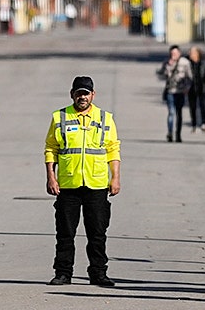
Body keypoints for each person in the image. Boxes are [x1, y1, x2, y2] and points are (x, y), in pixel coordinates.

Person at [44, 75, 121, 288]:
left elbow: (113, 149)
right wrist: (51, 176)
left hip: (96, 185)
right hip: (68, 184)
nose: (82, 97)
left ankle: (98, 273)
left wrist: (115, 178)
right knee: (65, 233)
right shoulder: (60, 117)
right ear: (72, 94)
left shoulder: (105, 118)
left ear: (93, 95)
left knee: (97, 233)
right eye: (78, 93)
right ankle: (63, 273)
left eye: (86, 93)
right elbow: (51, 148)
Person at [161, 45, 192, 142]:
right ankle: (170, 132)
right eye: (172, 53)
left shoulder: (185, 63)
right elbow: (163, 76)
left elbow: (190, 77)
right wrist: (169, 66)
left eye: (175, 53)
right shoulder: (167, 63)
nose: (173, 55)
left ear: (179, 53)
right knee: (171, 112)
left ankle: (178, 134)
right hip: (171, 91)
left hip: (180, 92)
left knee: (179, 114)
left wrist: (187, 88)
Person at [186, 46, 205, 132]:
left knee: (203, 105)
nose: (190, 54)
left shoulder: (203, 63)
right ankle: (194, 124)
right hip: (191, 87)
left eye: (192, 53)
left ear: (197, 53)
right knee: (192, 107)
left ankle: (204, 122)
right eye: (190, 52)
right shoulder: (188, 63)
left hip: (201, 87)